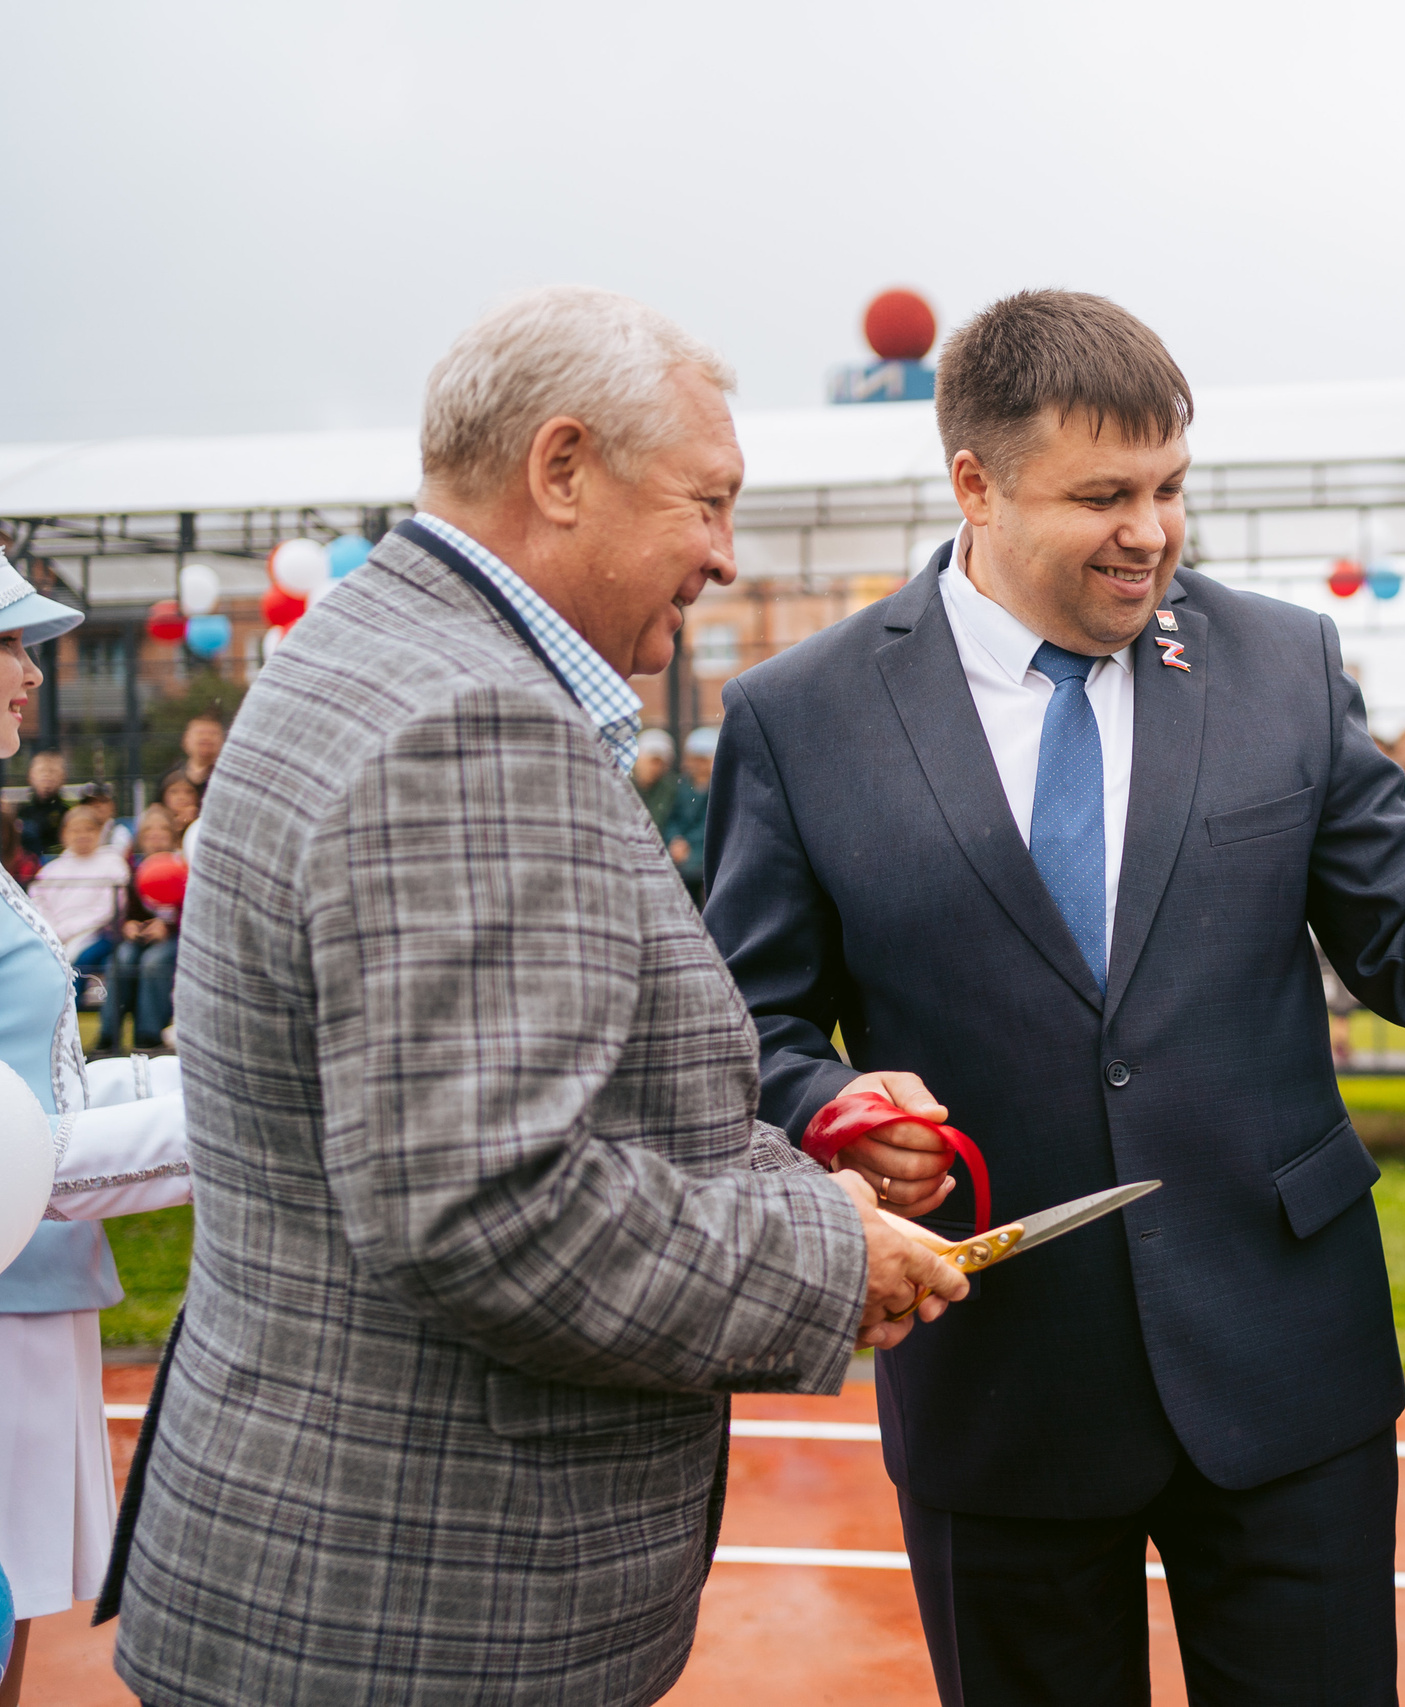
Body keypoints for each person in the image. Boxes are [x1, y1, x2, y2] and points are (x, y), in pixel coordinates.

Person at [704, 289, 1405, 1707]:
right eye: (1103, 495)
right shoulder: (801, 713)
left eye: (1169, 486)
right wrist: (829, 1106)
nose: (1151, 529)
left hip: (1286, 1363)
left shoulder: (1280, 659)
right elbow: (745, 1022)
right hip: (998, 1380)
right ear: (975, 481)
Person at [107, 286, 971, 1707]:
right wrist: (828, 1250)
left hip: (335, 1578)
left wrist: (787, 1149)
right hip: (423, 1616)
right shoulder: (474, 723)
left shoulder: (362, 648)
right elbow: (490, 1206)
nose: (721, 556)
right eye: (705, 502)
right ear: (560, 470)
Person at [0, 556, 191, 1707]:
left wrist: (211, 1076)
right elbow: (32, 1162)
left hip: (32, 1306)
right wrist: (249, 1117)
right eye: (6, 647)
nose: (30, 676)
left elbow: (41, 1099)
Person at [94, 807, 181, 1056]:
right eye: (149, 829)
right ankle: (108, 1036)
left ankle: (148, 1037)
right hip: (140, 937)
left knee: (153, 963)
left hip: (174, 939)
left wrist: (168, 927)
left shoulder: (182, 864)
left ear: (172, 834)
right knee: (121, 960)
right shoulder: (132, 868)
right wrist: (127, 926)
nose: (155, 835)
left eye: (162, 829)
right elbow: (125, 910)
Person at [29, 804, 126, 991]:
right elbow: (37, 903)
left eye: (89, 829)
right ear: (64, 834)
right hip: (55, 936)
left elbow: (109, 908)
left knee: (80, 963)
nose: (82, 835)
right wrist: (53, 931)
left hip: (98, 935)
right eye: (75, 830)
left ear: (99, 832)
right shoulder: (50, 871)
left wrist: (70, 930)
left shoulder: (113, 863)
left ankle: (74, 1010)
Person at [662, 724, 715, 902]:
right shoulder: (681, 786)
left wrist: (689, 845)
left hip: (704, 854)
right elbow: (672, 817)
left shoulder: (719, 789)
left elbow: (712, 825)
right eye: (695, 759)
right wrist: (675, 840)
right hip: (682, 855)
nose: (698, 765)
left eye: (703, 760)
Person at [157, 710, 224, 804]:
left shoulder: (228, 778)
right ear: (185, 740)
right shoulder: (169, 778)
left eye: (213, 733)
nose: (206, 738)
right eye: (200, 733)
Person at [13, 752, 65, 862]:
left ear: (62, 777)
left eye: (52, 771)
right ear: (30, 776)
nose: (47, 775)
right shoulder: (21, 812)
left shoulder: (67, 812)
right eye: (41, 770)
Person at [630, 725, 679, 832]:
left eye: (661, 763)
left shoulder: (670, 789)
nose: (655, 768)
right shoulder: (622, 785)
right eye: (652, 761)